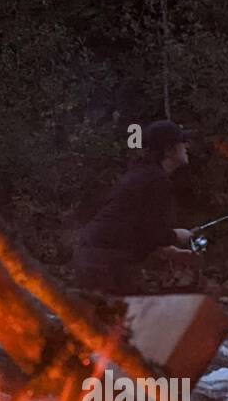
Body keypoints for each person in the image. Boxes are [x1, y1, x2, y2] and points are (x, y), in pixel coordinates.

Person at [72, 120, 199, 295]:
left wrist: (168, 249)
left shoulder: (142, 174)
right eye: (182, 142)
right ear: (169, 150)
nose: (186, 146)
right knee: (123, 318)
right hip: (106, 261)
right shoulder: (157, 180)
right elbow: (151, 232)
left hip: (92, 256)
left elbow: (136, 229)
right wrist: (176, 235)